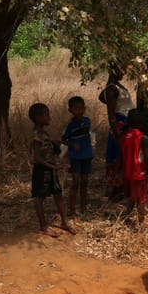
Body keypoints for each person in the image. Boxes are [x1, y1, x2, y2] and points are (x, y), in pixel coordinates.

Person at [29, 103, 76, 237]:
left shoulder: (43, 133)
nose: (49, 117)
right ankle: (44, 226)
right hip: (42, 170)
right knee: (39, 197)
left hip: (50, 168)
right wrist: (54, 167)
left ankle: (64, 222)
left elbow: (44, 148)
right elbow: (37, 157)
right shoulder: (37, 134)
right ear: (38, 118)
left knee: (58, 194)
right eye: (46, 115)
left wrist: (54, 142)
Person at [99, 62, 135, 200]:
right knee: (117, 157)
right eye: (122, 69)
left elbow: (101, 97)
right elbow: (111, 115)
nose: (124, 72)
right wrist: (117, 133)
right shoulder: (111, 89)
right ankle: (115, 190)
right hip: (119, 125)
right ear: (112, 70)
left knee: (123, 158)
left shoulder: (115, 87)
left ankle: (119, 190)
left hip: (125, 123)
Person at [118, 109, 148, 224]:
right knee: (141, 200)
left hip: (127, 173)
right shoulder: (143, 138)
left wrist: (119, 172)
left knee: (131, 197)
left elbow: (120, 156)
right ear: (142, 122)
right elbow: (147, 158)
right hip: (139, 173)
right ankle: (141, 224)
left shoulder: (123, 137)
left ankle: (125, 217)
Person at [61, 96, 93, 217]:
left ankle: (84, 207)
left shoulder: (87, 121)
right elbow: (63, 139)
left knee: (85, 181)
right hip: (75, 157)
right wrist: (72, 144)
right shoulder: (69, 126)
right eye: (76, 108)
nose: (79, 111)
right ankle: (72, 210)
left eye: (81, 108)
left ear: (84, 108)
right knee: (75, 182)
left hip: (87, 155)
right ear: (70, 110)